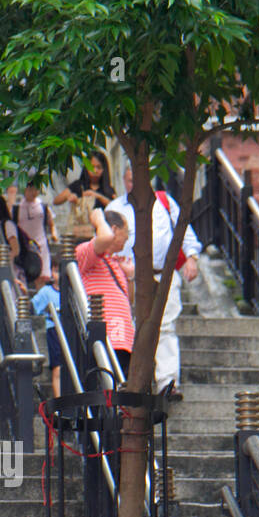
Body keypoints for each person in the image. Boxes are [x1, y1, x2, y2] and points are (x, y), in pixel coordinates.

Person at [106, 167, 201, 398]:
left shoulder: (165, 202)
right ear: (123, 180)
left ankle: (167, 383)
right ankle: (133, 379)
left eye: (137, 180)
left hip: (162, 274)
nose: (133, 185)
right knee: (129, 326)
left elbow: (184, 232)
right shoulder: (114, 209)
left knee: (166, 327)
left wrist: (192, 257)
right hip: (127, 277)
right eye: (129, 180)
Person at [75, 207, 135, 379]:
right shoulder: (86, 252)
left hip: (124, 340)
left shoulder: (116, 262)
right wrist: (98, 217)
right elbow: (105, 238)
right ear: (114, 229)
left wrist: (129, 276)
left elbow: (128, 301)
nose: (128, 237)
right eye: (126, 232)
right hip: (107, 339)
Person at [16, 266, 61, 398]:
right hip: (54, 329)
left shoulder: (73, 290)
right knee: (58, 368)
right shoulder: (46, 291)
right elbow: (32, 307)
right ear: (52, 271)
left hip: (69, 330)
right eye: (57, 271)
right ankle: (60, 403)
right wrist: (24, 294)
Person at [4, 180, 58, 282]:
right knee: (24, 274)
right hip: (25, 247)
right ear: (25, 190)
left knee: (42, 276)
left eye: (35, 189)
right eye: (30, 189)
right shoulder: (17, 209)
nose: (33, 192)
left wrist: (54, 233)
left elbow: (51, 223)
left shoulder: (43, 207)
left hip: (41, 244)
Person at [52, 151, 114, 239]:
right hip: (80, 235)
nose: (95, 170)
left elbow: (114, 206)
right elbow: (56, 201)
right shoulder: (78, 186)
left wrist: (97, 196)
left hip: (102, 235)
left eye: (99, 167)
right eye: (92, 167)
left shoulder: (108, 189)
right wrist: (72, 197)